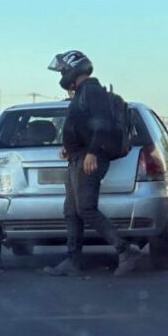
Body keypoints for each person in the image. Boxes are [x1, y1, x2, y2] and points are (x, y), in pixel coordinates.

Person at [44, 50, 142, 277]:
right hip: (77, 157)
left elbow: (103, 124)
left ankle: (125, 250)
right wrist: (70, 148)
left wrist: (93, 152)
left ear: (74, 69)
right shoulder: (81, 93)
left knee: (86, 208)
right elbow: (82, 127)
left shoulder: (92, 91)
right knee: (71, 211)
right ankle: (72, 260)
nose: (62, 74)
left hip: (88, 159)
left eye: (63, 70)